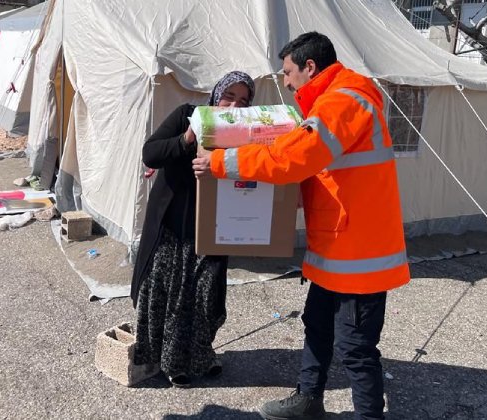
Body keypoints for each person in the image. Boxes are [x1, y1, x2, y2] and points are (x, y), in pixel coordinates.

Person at [193, 32, 410, 419]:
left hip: (359, 255)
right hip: (336, 247)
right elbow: (324, 167)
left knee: (356, 348)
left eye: (289, 73)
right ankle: (309, 399)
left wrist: (222, 162)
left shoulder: (343, 101)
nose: (287, 82)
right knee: (317, 325)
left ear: (310, 67)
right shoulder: (332, 101)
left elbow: (295, 157)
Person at [131, 71, 255, 388]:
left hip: (215, 226)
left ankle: (200, 355)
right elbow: (151, 153)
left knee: (205, 298)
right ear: (217, 94)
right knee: (169, 296)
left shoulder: (249, 133)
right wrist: (188, 138)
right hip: (172, 225)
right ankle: (171, 362)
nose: (234, 105)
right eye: (230, 96)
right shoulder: (188, 115)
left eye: (243, 101)